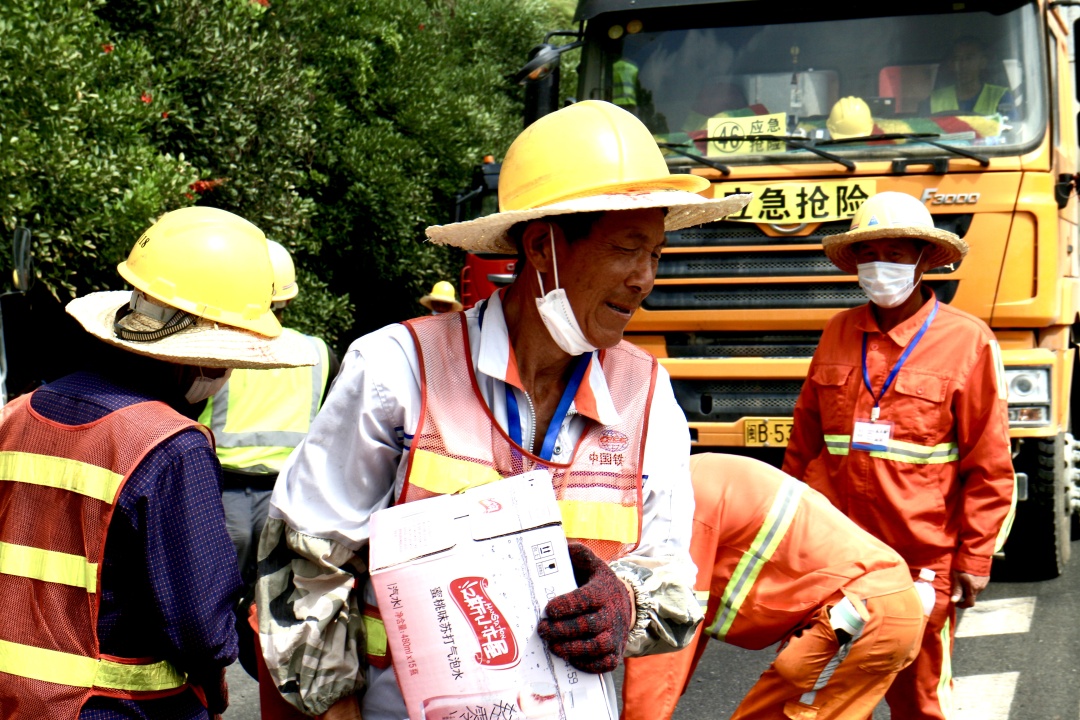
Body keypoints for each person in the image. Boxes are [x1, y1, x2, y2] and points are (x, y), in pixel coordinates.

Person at [254, 99, 752, 719]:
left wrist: (625, 602)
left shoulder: (649, 401)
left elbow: (671, 584)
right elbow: (305, 559)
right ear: (543, 247)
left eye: (655, 252)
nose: (645, 277)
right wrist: (336, 710)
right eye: (628, 248)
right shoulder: (399, 372)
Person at [0, 206, 314, 719]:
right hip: (117, 709)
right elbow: (202, 630)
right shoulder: (169, 446)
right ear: (199, 358)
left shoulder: (17, 414)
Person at [782, 191, 1014, 719]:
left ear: (921, 258)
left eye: (893, 252)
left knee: (919, 701)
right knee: (815, 693)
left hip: (921, 563)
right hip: (834, 558)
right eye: (867, 253)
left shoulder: (968, 341)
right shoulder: (838, 332)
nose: (878, 265)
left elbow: (990, 464)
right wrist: (785, 541)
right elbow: (804, 446)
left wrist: (974, 559)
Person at [623, 454, 926, 720]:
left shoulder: (683, 508)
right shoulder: (698, 478)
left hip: (860, 614)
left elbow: (663, 635)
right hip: (881, 606)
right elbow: (683, 629)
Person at [198, 239, 338, 677]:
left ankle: (207, 681)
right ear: (288, 298)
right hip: (291, 501)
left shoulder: (215, 349)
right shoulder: (317, 352)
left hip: (224, 497)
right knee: (281, 609)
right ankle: (275, 683)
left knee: (211, 603)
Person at [928, 37, 1014, 116]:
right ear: (951, 65)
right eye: (957, 59)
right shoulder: (934, 99)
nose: (962, 65)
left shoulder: (1001, 96)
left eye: (969, 58)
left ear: (982, 63)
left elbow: (1012, 130)